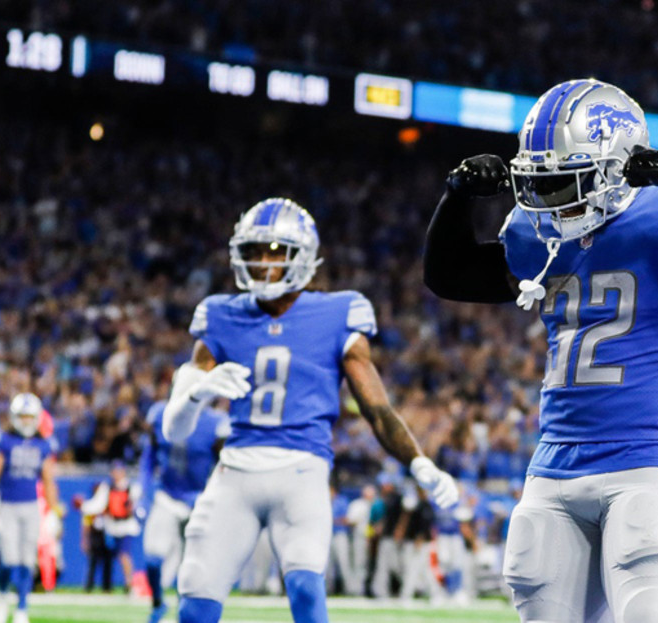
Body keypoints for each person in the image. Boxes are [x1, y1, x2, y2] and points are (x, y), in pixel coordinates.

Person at [424, 78, 658, 622]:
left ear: (618, 166)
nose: (554, 199)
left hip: (645, 467)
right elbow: (449, 276)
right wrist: (456, 196)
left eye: (570, 181)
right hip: (553, 467)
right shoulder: (538, 237)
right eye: (545, 183)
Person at [161, 197, 457, 623]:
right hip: (235, 472)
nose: (264, 263)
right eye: (255, 251)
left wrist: (419, 463)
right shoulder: (218, 315)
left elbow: (377, 409)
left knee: (304, 581)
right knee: (196, 592)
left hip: (302, 470)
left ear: (303, 257)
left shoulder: (338, 312)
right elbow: (175, 430)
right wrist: (195, 393)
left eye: (277, 251)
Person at [137, 400, 229, 623]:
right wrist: (144, 489)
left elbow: (224, 462)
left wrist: (216, 496)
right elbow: (149, 454)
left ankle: (183, 612)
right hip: (167, 495)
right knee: (152, 557)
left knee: (191, 566)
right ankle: (158, 602)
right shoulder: (161, 414)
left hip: (198, 499)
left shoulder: (215, 422)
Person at [0, 393, 60, 623]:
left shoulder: (43, 444)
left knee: (28, 560)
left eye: (30, 416)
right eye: (23, 416)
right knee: (8, 558)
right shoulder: (4, 440)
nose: (26, 421)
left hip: (30, 506)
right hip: (7, 505)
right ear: (15, 417)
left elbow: (48, 481)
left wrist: (54, 512)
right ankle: (1, 598)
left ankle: (22, 608)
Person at [78, 462, 141, 593]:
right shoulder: (107, 487)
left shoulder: (132, 488)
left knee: (124, 555)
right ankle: (102, 586)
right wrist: (83, 505)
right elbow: (97, 504)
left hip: (127, 526)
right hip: (111, 528)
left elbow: (138, 507)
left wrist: (134, 509)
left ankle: (129, 584)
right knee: (106, 558)